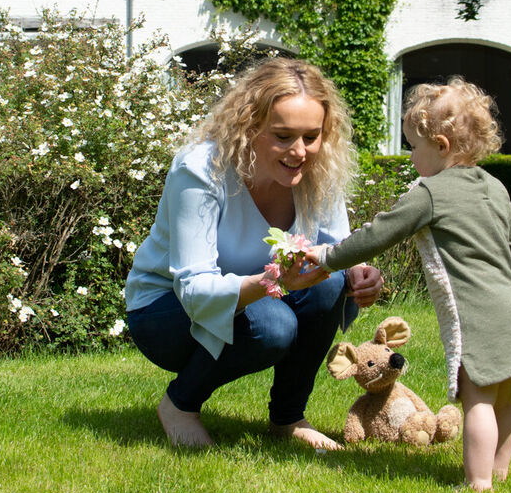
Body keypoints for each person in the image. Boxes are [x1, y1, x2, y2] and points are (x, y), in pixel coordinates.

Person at [305, 78, 511, 492]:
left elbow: (379, 234)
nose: (410, 156)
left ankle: (478, 482)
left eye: (413, 147)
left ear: (440, 145)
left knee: (478, 401)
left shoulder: (430, 193)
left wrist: (329, 257)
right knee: (506, 401)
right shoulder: (495, 187)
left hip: (479, 315)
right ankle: (500, 472)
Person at [125, 58, 384, 449]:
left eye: (311, 136)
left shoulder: (318, 169)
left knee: (330, 280)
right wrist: (274, 281)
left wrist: (360, 272)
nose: (299, 152)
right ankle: (180, 404)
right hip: (166, 310)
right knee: (274, 324)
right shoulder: (200, 170)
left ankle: (288, 419)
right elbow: (194, 288)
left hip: (259, 296)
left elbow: (336, 247)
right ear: (249, 128)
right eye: (282, 136)